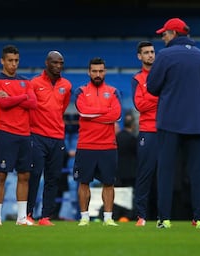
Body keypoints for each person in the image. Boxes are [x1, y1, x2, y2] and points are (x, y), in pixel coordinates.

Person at [146, 18, 200, 229]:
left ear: (173, 33)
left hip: (170, 121)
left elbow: (152, 87)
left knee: (165, 170)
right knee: (198, 172)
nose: (162, 37)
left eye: (164, 33)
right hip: (196, 122)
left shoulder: (164, 55)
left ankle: (164, 219)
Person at [0, 45, 37, 225]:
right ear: (2, 61)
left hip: (24, 134)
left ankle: (22, 217)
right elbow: (2, 102)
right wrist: (22, 97)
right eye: (10, 60)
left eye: (16, 60)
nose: (13, 64)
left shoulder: (26, 81)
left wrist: (13, 98)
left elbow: (33, 104)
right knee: (1, 175)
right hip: (6, 132)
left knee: (24, 175)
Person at [73, 57, 122, 226]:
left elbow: (116, 115)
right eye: (94, 71)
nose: (98, 74)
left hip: (108, 146)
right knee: (84, 182)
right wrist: (105, 113)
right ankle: (84, 217)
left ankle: (108, 218)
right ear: (89, 72)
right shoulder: (80, 91)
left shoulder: (114, 91)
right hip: (86, 145)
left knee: (109, 183)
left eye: (101, 71)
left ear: (105, 72)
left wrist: (95, 115)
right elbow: (83, 112)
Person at [27, 51, 72, 226]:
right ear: (47, 63)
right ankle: (28, 214)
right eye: (55, 63)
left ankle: (45, 216)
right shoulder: (34, 83)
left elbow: (62, 107)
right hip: (37, 136)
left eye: (61, 63)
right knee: (35, 175)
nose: (58, 66)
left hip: (57, 137)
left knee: (53, 178)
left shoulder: (66, 85)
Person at [131, 40, 159, 226]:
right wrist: (159, 97)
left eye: (152, 51)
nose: (150, 55)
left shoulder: (163, 75)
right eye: (146, 52)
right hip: (148, 131)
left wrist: (150, 95)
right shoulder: (137, 79)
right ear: (139, 56)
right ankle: (141, 216)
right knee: (145, 174)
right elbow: (139, 105)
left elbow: (171, 99)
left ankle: (162, 215)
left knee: (165, 175)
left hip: (166, 130)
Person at [115, 112, 137, 188]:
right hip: (131, 172)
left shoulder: (117, 137)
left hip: (118, 171)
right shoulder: (133, 139)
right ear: (133, 125)